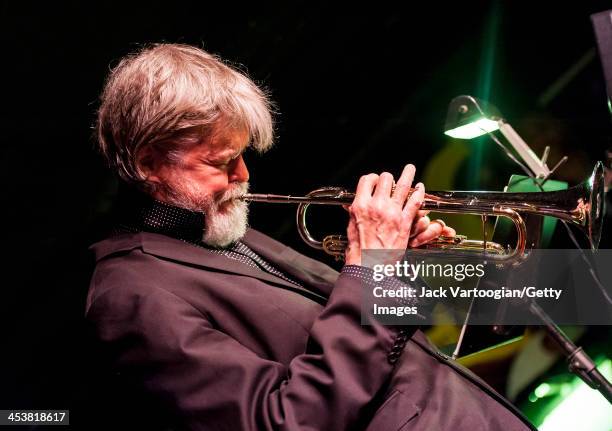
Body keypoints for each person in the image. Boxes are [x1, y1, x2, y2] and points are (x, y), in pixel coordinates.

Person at [85, 43, 536, 430]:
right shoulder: (129, 298)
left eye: (242, 156)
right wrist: (372, 268)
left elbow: (379, 347)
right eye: (221, 162)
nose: (243, 176)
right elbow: (288, 421)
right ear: (148, 163)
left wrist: (403, 267)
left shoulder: (215, 231)